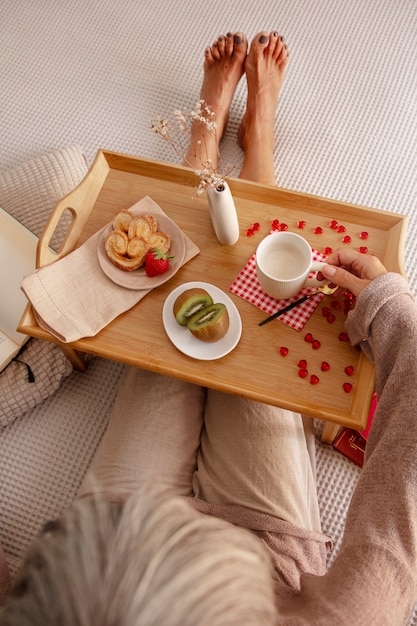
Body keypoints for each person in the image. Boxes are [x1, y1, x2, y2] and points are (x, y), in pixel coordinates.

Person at [1, 31, 417, 626]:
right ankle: (258, 142)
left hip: (109, 543)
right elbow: (401, 517)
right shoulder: (346, 617)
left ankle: (201, 150)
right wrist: (390, 308)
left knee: (169, 310)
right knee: (248, 327)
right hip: (261, 546)